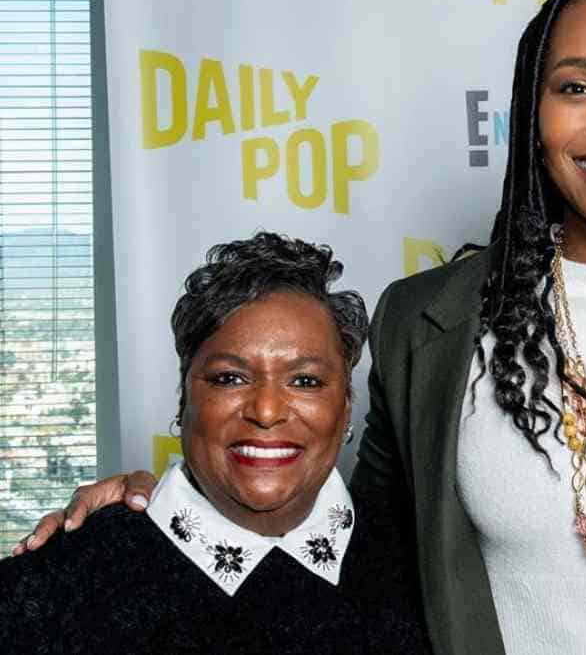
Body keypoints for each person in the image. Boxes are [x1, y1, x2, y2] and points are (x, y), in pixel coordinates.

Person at [16, 0, 586, 655]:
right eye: (575, 87)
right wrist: (149, 517)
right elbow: (347, 546)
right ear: (533, 120)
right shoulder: (431, 322)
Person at [0, 233, 429, 654]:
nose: (265, 410)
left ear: (346, 406)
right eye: (230, 378)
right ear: (184, 397)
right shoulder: (59, 584)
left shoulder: (425, 572)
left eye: (305, 381)